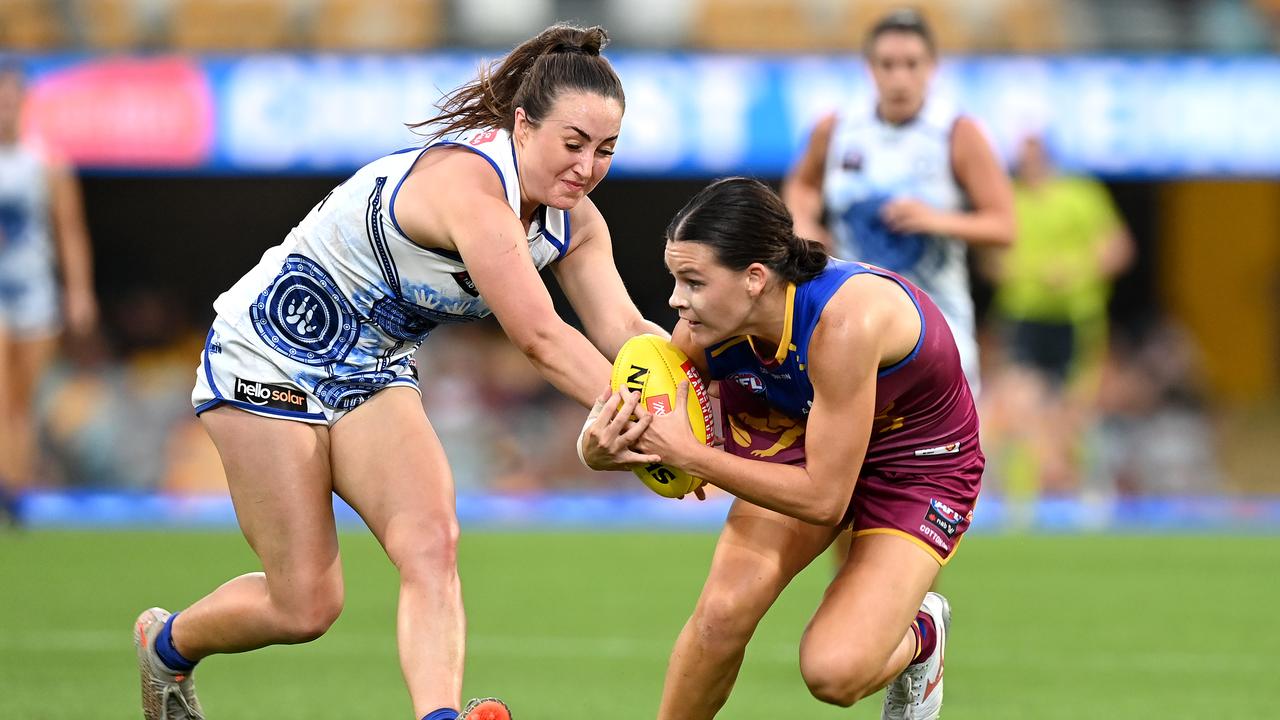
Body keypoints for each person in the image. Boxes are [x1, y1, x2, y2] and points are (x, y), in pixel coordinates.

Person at [135, 24, 665, 720]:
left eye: (605, 151)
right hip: (266, 352)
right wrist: (649, 421)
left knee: (432, 543)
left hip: (371, 366)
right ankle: (165, 648)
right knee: (305, 606)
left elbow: (626, 333)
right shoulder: (470, 188)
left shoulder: (575, 222)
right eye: (573, 144)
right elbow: (540, 337)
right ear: (522, 124)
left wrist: (709, 385)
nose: (587, 167)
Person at [582, 178, 984, 720]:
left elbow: (824, 500)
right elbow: (642, 419)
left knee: (834, 673)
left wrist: (693, 456)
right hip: (806, 431)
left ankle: (923, 634)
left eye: (693, 281)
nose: (677, 300)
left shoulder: (844, 324)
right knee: (721, 614)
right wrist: (598, 449)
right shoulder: (702, 330)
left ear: (754, 278)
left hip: (915, 464)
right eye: (675, 279)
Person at [781, 8, 1014, 396]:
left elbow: (1004, 226)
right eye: (887, 65)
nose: (899, 78)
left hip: (937, 319)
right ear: (870, 68)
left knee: (943, 451)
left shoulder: (956, 132)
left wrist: (937, 220)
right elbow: (802, 184)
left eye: (911, 64)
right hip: (850, 315)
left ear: (932, 67)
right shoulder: (837, 128)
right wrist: (805, 223)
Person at [981, 133, 1134, 495]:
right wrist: (1019, 271)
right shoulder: (1008, 198)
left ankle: (1075, 488)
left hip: (1074, 318)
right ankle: (1025, 493)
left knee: (1073, 409)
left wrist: (1074, 270)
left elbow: (1117, 249)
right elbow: (990, 259)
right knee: (1020, 401)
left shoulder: (1081, 194)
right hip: (1023, 316)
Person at [0, 61, 98, 523]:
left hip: (34, 293)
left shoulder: (47, 162)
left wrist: (79, 292)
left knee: (22, 401)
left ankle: (15, 489)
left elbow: (69, 231)